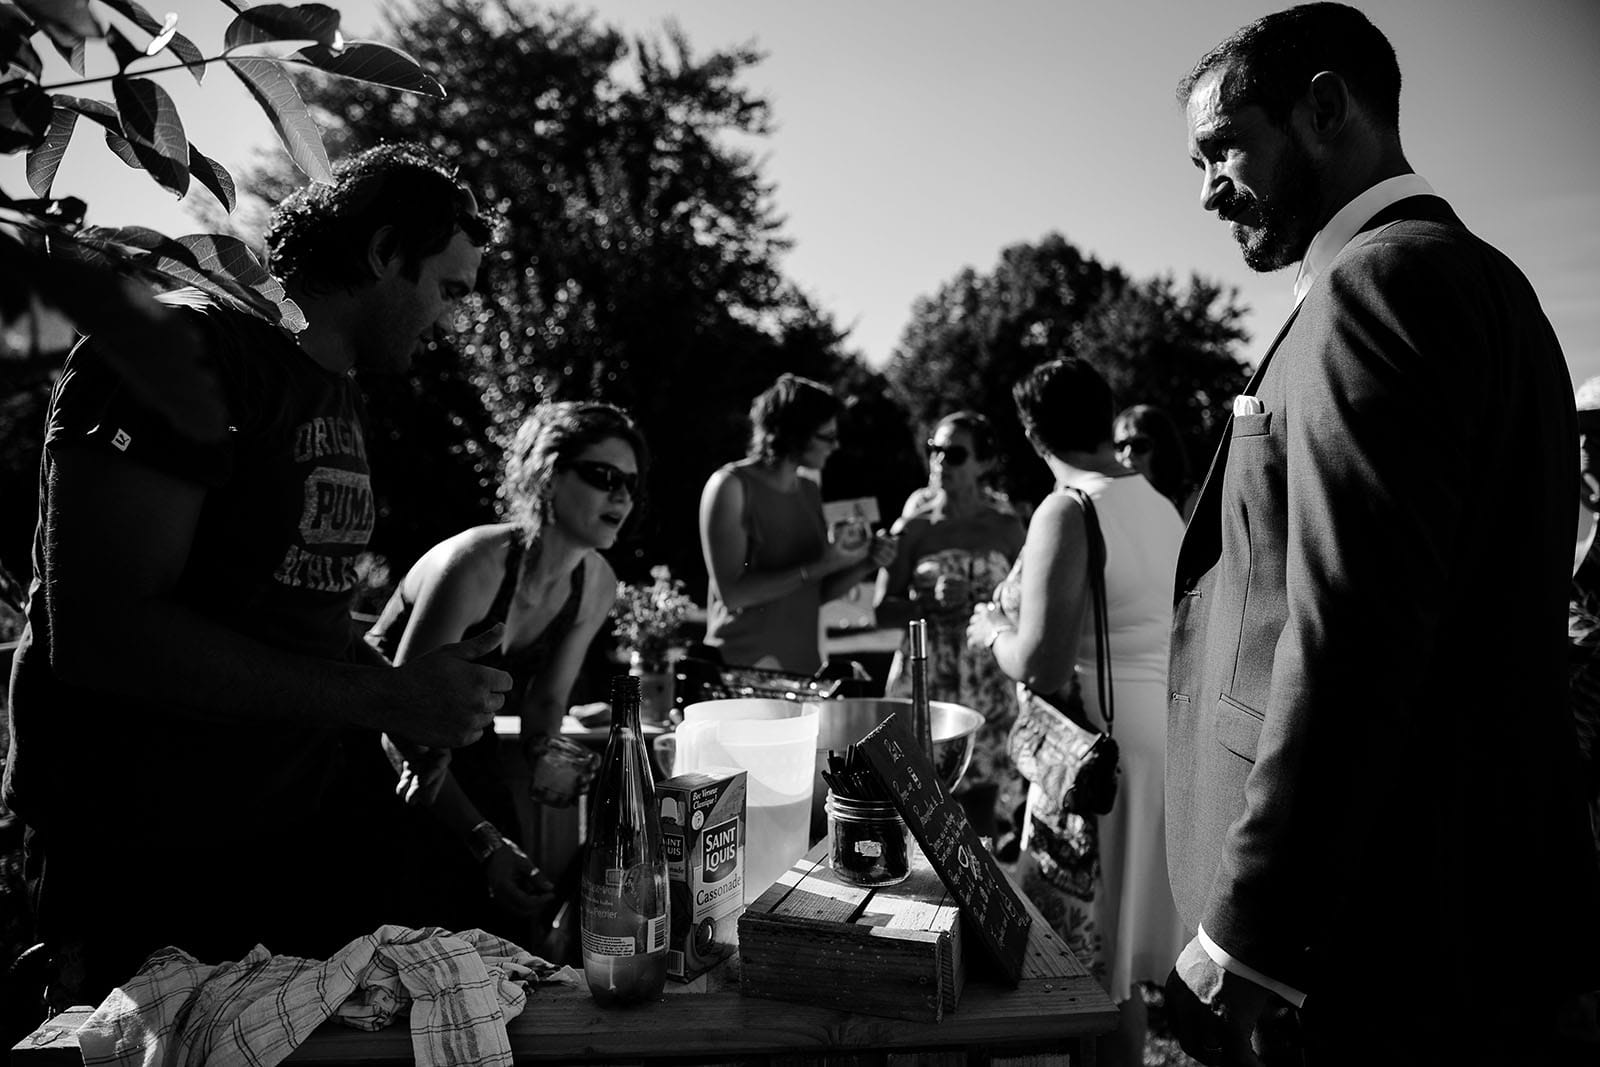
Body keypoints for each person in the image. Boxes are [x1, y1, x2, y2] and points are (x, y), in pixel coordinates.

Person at [1164, 6, 1600, 1065]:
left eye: (1223, 147)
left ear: (1324, 107)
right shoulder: (1487, 282)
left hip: (1375, 941)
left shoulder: (1380, 283)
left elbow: (1353, 631)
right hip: (1442, 911)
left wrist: (1251, 933)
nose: (1208, 186)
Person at [2, 143, 516, 1008]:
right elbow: (103, 637)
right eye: (452, 290)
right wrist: (384, 701)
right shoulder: (182, 350)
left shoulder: (334, 385)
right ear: (387, 253)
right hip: (147, 856)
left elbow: (283, 617)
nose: (455, 320)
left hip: (284, 836)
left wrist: (406, 698)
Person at [966, 358, 1186, 1067]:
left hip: (1092, 757)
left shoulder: (1068, 506)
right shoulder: (1156, 501)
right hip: (1161, 742)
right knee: (1117, 972)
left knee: (1075, 967)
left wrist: (990, 633)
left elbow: (1042, 663)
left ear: (1034, 433)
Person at [364, 400, 645, 936]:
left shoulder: (597, 583)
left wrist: (548, 755)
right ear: (547, 473)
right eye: (604, 476)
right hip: (376, 753)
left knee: (511, 925)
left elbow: (545, 702)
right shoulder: (473, 563)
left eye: (631, 484)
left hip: (467, 748)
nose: (622, 496)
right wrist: (486, 840)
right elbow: (399, 715)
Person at [875, 411, 1025, 840]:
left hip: (987, 683)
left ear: (984, 463)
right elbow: (882, 610)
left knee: (981, 811)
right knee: (913, 803)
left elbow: (1029, 601)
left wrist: (981, 601)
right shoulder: (914, 527)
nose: (941, 461)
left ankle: (978, 903)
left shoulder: (1006, 526)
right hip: (927, 679)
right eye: (935, 450)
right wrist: (926, 602)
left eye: (955, 454)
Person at [699, 373, 895, 674]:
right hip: (744, 669)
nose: (835, 446)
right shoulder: (731, 486)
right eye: (827, 437)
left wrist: (867, 563)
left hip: (803, 668)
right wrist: (822, 565)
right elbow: (734, 594)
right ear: (794, 434)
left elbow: (811, 594)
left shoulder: (808, 490)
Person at [1111, 404, 1197, 522]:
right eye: (1120, 446)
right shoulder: (1112, 503)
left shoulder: (1192, 502)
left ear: (1163, 449)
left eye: (1140, 445)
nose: (1128, 454)